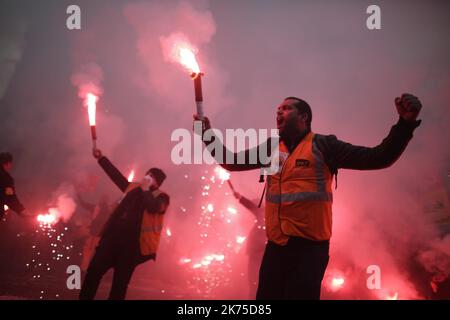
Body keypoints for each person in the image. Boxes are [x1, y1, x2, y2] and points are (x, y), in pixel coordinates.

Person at [194, 93, 422, 299]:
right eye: (277, 109)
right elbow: (230, 161)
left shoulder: (324, 145)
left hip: (309, 252)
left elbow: (378, 158)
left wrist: (405, 124)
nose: (278, 112)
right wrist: (206, 135)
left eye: (286, 108)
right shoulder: (271, 148)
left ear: (303, 116)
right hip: (274, 248)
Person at [79, 148, 170, 300]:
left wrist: (146, 190)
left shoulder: (162, 197)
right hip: (111, 240)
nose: (147, 177)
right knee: (93, 274)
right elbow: (116, 176)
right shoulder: (132, 188)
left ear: (157, 182)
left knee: (119, 286)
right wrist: (101, 159)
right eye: (147, 174)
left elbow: (153, 207)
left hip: (131, 248)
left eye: (151, 176)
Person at [232, 190, 266, 299]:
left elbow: (252, 206)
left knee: (258, 282)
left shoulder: (269, 213)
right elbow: (251, 206)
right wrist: (240, 197)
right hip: (256, 253)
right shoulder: (263, 212)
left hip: (263, 254)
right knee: (253, 282)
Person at [76, 192, 112, 271]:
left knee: (90, 251)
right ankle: (85, 269)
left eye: (103, 198)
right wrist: (78, 194)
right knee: (88, 251)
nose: (101, 200)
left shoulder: (104, 209)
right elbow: (84, 204)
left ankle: (87, 269)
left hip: (97, 234)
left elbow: (100, 221)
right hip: (96, 234)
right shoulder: (98, 208)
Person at [0, 152, 30, 219]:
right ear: (7, 164)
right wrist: (21, 210)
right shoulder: (5, 179)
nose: (11, 166)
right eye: (11, 164)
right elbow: (10, 197)